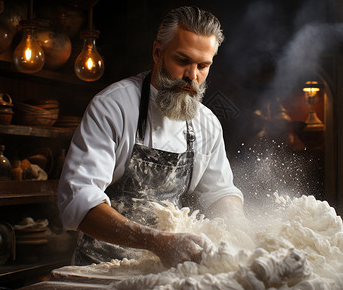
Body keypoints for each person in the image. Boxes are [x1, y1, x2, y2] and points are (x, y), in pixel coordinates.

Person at [58, 6, 245, 268]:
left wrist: (242, 232)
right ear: (158, 52)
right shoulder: (114, 107)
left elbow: (220, 192)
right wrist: (157, 242)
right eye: (182, 61)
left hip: (164, 270)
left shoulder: (207, 123)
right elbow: (77, 198)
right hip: (101, 269)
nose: (192, 76)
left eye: (203, 66)